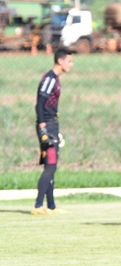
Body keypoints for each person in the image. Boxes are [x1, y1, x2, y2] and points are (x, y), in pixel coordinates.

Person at [32, 48, 74, 216]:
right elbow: (40, 104)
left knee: (52, 165)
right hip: (47, 125)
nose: (71, 64)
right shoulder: (50, 78)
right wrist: (43, 127)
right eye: (69, 61)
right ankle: (37, 205)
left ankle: (51, 206)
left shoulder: (55, 78)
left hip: (52, 124)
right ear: (60, 61)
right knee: (50, 166)